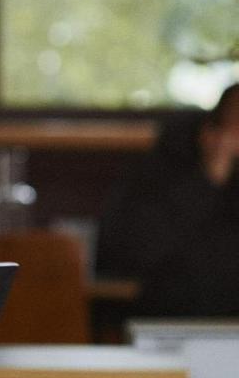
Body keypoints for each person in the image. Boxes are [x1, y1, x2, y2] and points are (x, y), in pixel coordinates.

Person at [97, 82, 239, 317]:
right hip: (176, 320)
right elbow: (136, 251)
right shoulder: (168, 167)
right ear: (210, 132)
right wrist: (211, 177)